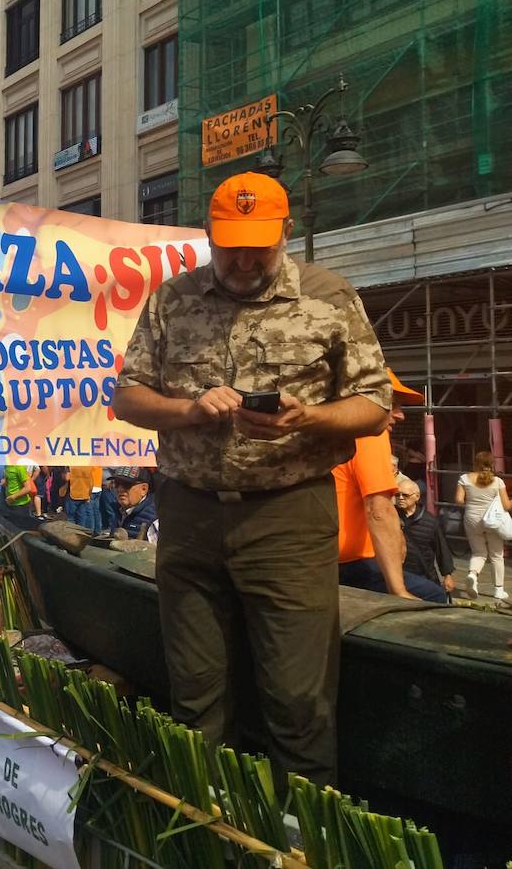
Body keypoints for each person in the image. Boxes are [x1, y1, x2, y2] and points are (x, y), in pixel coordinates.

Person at [112, 170, 391, 788]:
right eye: (229, 243)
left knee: (298, 703)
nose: (242, 259)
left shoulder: (329, 297)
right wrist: (187, 409)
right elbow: (126, 397)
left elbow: (373, 405)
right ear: (210, 234)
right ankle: (210, 833)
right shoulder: (172, 299)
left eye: (257, 245)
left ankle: (300, 841)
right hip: (189, 516)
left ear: (285, 234)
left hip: (288, 518)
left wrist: (308, 417)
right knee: (195, 698)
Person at [334, 369, 444, 602]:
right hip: (350, 563)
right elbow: (379, 510)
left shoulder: (337, 431)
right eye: (392, 404)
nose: (401, 415)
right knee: (435, 595)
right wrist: (398, 590)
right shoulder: (369, 434)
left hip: (325, 560)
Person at [455, 450, 510, 600]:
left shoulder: (464, 478)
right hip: (493, 521)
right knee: (496, 555)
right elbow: (506, 505)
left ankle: (473, 574)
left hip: (472, 518)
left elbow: (459, 500)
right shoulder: (498, 481)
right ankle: (498, 590)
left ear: (475, 463)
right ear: (492, 464)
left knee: (478, 553)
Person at [395, 476, 454, 599]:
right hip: (398, 574)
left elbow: (441, 548)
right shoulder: (391, 516)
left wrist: (447, 575)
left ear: (416, 497)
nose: (400, 498)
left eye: (405, 495)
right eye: (397, 495)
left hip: (423, 574)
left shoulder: (430, 522)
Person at [106, 467, 158, 541]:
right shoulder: (118, 510)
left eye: (126, 484)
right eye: (116, 484)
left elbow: (157, 551)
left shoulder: (153, 519)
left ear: (144, 489)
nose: (120, 489)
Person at [64, 465, 98, 533]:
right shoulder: (88, 467)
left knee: (70, 517)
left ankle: (71, 534)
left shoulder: (71, 466)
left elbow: (67, 478)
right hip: (84, 495)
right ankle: (81, 534)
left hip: (73, 494)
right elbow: (91, 483)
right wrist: (89, 495)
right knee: (82, 517)